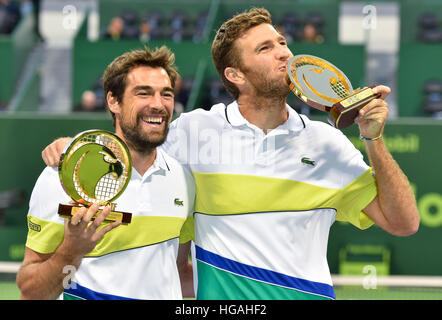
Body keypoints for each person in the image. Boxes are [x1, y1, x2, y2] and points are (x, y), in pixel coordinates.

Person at [41, 8, 420, 300]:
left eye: (283, 43)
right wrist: (73, 147)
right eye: (265, 48)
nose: (284, 54)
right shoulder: (192, 132)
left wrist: (373, 139)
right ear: (235, 75)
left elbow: (404, 222)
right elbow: (133, 139)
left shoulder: (328, 144)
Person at [17, 46, 195, 300]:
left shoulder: (183, 179)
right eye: (143, 93)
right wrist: (70, 252)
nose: (158, 104)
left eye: (166, 94)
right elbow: (31, 292)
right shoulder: (65, 175)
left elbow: (176, 272)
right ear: (113, 101)